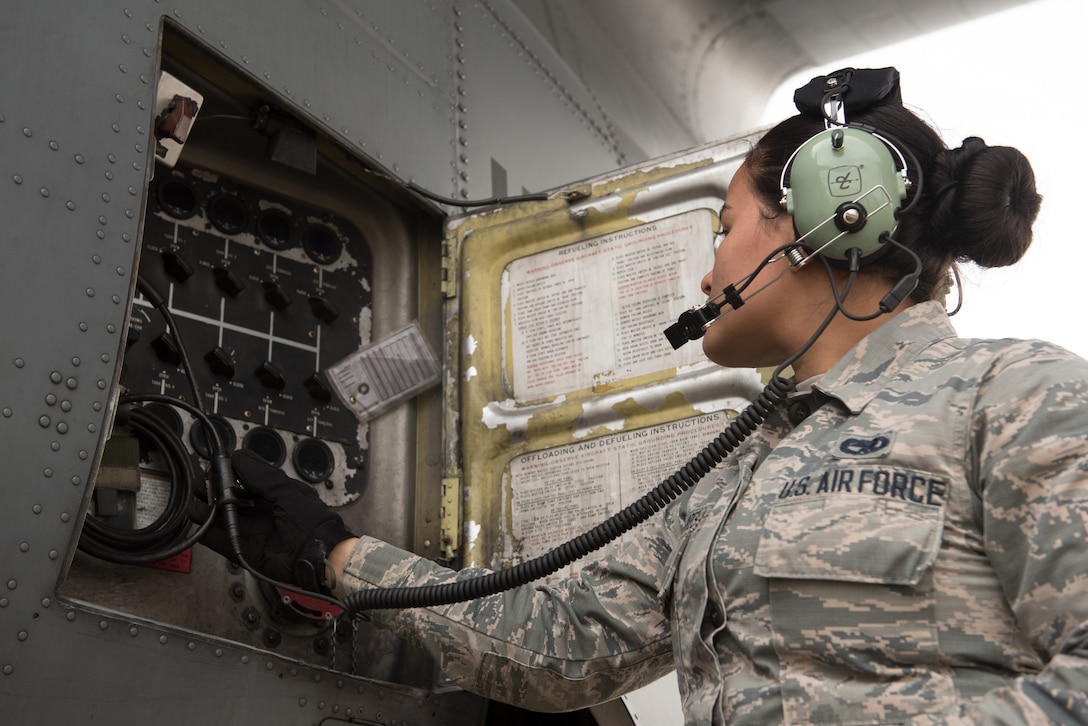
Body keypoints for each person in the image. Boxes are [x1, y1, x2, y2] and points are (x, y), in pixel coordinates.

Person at [202, 68, 1088, 724]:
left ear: (828, 217)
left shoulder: (1017, 398)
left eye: (727, 229)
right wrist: (334, 554)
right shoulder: (733, 472)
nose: (709, 271)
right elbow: (559, 649)